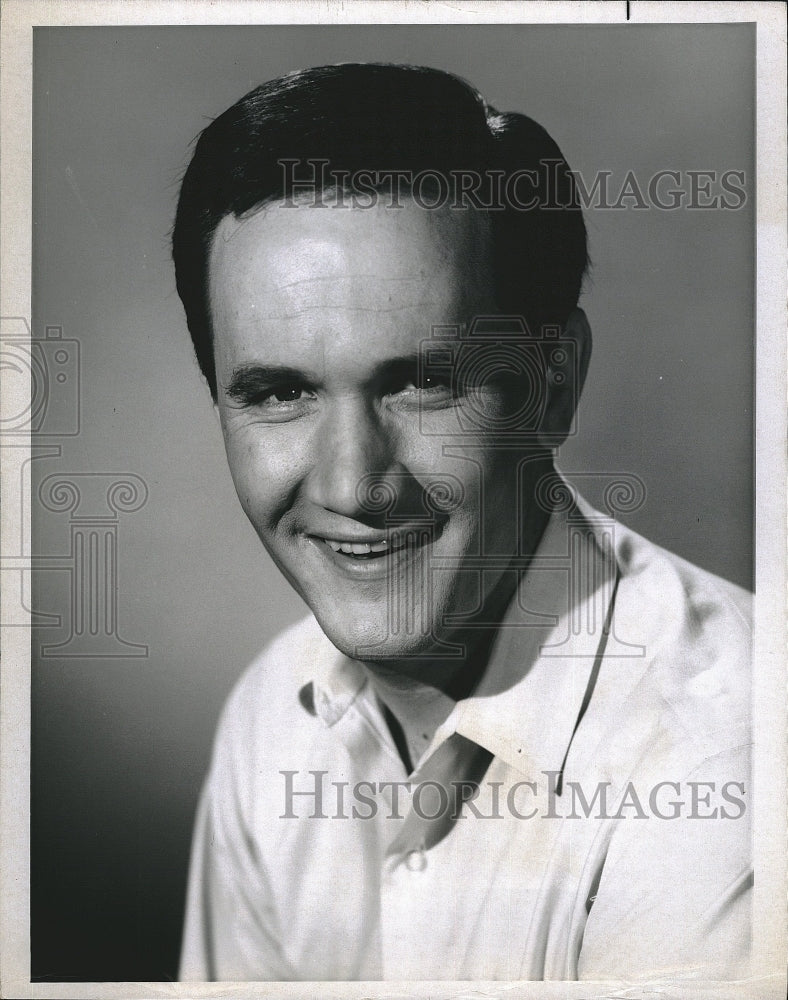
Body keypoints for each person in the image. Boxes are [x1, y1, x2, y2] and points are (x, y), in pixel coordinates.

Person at [172, 63, 751, 982]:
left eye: (422, 381)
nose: (354, 485)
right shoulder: (271, 720)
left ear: (551, 384)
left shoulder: (735, 769)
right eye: (279, 393)